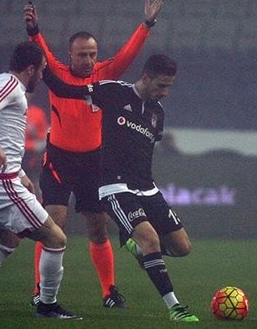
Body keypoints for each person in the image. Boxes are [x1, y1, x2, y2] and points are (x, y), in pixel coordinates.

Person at [23, 0, 166, 308]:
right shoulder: (56, 73)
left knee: (98, 229)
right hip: (59, 158)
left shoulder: (106, 75)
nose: (88, 60)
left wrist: (147, 24)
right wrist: (34, 31)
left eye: (92, 54)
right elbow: (40, 50)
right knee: (53, 223)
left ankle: (109, 292)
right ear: (70, 56)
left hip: (94, 161)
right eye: (82, 55)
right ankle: (40, 290)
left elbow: (129, 54)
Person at [41, 54, 199, 322]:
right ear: (146, 78)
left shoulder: (157, 113)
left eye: (169, 86)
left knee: (183, 247)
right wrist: (43, 65)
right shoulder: (113, 91)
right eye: (161, 86)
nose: (166, 93)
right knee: (149, 238)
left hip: (146, 188)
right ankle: (175, 307)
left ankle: (138, 250)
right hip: (114, 186)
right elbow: (64, 90)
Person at [0, 41, 78, 319]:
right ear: (30, 68)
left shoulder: (7, 85)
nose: (43, 76)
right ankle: (47, 305)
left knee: (8, 241)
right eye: (42, 69)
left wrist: (20, 173)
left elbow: (6, 135)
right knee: (56, 237)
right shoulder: (10, 84)